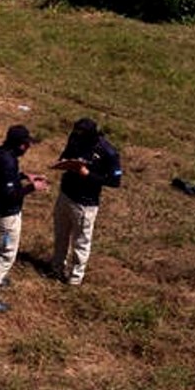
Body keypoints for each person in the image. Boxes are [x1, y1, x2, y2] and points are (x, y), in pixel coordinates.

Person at [0, 125, 48, 312]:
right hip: (7, 215)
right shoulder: (8, 161)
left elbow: (2, 179)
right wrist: (32, 187)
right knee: (6, 253)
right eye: (27, 144)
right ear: (21, 145)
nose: (28, 147)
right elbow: (10, 195)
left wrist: (24, 176)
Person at [51, 118, 122, 285]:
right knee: (60, 235)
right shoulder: (75, 138)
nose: (77, 138)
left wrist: (87, 174)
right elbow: (65, 154)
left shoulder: (108, 152)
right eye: (76, 134)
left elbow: (115, 181)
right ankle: (56, 268)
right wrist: (66, 163)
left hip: (85, 203)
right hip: (66, 194)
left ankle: (75, 278)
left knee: (81, 242)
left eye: (82, 136)